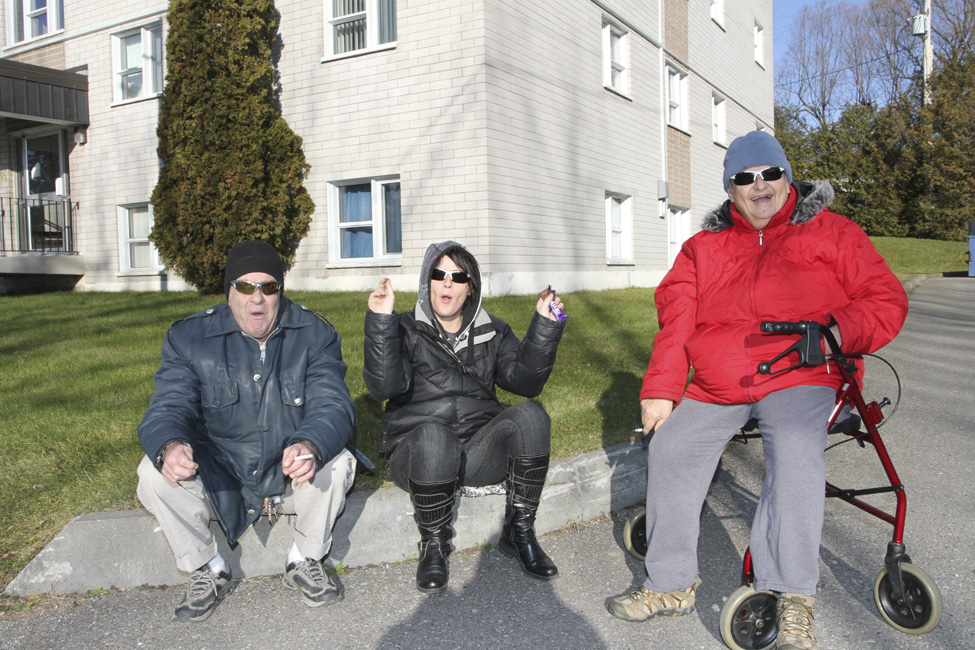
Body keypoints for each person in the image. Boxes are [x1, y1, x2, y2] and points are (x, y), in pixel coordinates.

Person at [607, 131, 908, 650]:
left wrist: (835, 330)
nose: (759, 185)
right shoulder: (702, 249)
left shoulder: (833, 233)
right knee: (674, 445)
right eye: (745, 178)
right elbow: (675, 322)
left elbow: (884, 299)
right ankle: (671, 584)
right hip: (722, 380)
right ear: (730, 190)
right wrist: (659, 391)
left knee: (792, 445)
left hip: (803, 371)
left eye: (769, 173)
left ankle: (793, 596)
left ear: (787, 177)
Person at [137, 240, 357, 622]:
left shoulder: (315, 334)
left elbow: (333, 406)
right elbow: (168, 407)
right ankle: (207, 567)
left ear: (280, 291)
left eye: (268, 287)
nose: (257, 298)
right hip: (221, 480)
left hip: (290, 478)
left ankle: (304, 559)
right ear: (229, 291)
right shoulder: (189, 338)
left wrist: (310, 444)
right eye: (244, 286)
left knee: (338, 463)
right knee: (151, 473)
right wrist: (170, 446)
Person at [363, 241, 566, 593]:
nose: (447, 283)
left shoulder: (494, 330)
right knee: (434, 436)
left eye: (458, 277)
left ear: (470, 286)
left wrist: (544, 327)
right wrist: (382, 322)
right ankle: (434, 545)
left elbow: (526, 383)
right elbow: (383, 387)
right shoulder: (404, 328)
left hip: (474, 453)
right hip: (418, 453)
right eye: (439, 274)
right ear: (427, 281)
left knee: (532, 415)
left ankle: (518, 532)